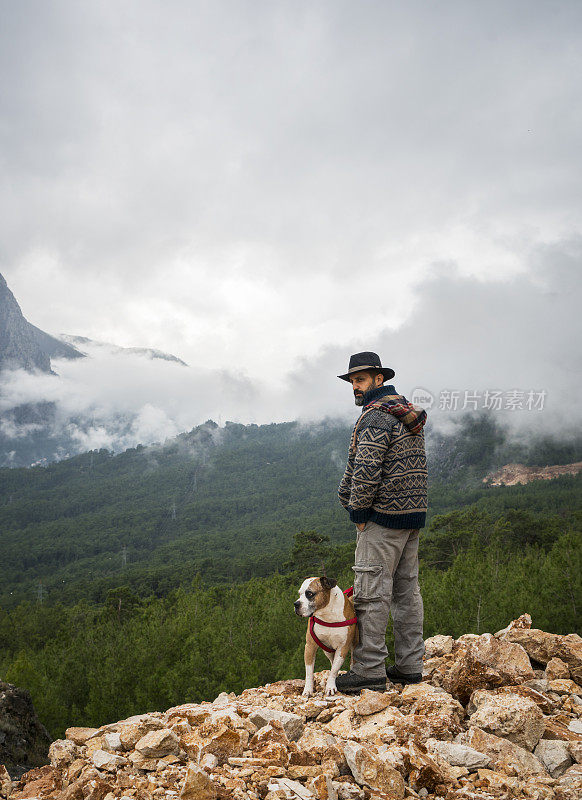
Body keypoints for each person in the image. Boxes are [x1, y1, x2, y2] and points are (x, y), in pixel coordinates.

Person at [335, 351, 428, 693]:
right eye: (352, 381)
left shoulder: (376, 417)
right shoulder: (405, 413)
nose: (355, 387)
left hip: (382, 518)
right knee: (406, 593)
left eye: (360, 380)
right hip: (411, 517)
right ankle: (409, 666)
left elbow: (366, 470)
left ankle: (371, 670)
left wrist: (357, 513)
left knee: (371, 594)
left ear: (379, 378)